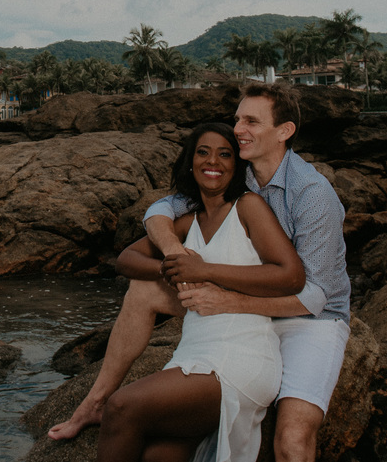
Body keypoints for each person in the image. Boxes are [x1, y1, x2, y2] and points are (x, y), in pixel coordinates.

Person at [50, 82, 351, 462]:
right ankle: (95, 401)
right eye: (238, 118)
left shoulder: (312, 193)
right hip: (247, 309)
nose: (239, 128)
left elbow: (312, 294)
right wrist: (176, 257)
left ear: (284, 131)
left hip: (311, 319)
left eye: (252, 121)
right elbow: (160, 209)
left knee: (291, 440)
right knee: (142, 291)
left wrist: (225, 298)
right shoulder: (238, 171)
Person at [95, 121, 304, 462]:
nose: (214, 162)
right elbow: (126, 259)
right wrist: (172, 268)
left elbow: (291, 275)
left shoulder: (248, 207)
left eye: (225, 154)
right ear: (190, 162)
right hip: (193, 355)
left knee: (120, 407)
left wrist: (204, 270)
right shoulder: (188, 223)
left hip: (240, 356)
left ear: (237, 164)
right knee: (159, 456)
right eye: (203, 152)